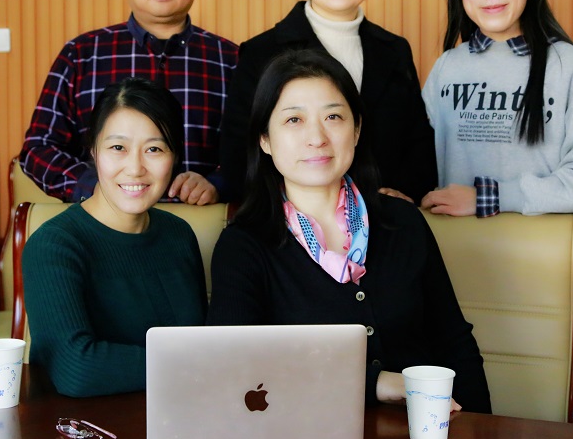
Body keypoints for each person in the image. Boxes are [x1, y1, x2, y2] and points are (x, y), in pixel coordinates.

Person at [207, 49, 492, 412]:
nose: (317, 137)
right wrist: (373, 383)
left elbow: (454, 341)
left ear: (356, 129)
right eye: (294, 120)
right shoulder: (243, 245)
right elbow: (234, 368)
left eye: (333, 117)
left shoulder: (402, 221)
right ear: (265, 139)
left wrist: (479, 428)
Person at [420, 0, 573, 374]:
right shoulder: (446, 69)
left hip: (553, 289)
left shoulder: (569, 66)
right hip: (460, 285)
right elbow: (420, 172)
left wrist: (487, 198)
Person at [220, 0, 436, 204]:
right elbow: (238, 155)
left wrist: (403, 196)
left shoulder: (395, 50)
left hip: (383, 219)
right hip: (290, 221)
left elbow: (419, 147)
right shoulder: (262, 52)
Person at [21, 0, 238, 205]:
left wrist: (217, 183)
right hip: (103, 224)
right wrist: (93, 186)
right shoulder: (81, 56)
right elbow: (38, 148)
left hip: (202, 222)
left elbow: (258, 150)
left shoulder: (231, 60)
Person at [22, 77, 207, 397]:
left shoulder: (178, 235)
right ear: (94, 151)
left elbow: (200, 341)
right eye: (118, 148)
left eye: (154, 149)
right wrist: (196, 365)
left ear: (174, 156)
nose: (135, 168)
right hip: (85, 420)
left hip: (179, 411)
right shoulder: (54, 246)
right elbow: (75, 369)